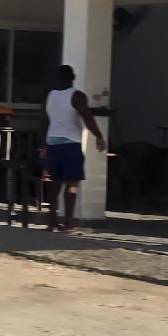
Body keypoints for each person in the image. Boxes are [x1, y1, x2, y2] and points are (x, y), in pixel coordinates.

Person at [42, 65, 108, 233]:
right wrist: (99, 136)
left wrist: (43, 145)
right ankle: (69, 222)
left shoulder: (50, 96)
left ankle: (51, 221)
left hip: (52, 143)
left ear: (57, 79)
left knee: (54, 183)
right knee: (72, 183)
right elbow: (87, 118)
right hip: (70, 143)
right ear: (73, 78)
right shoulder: (77, 96)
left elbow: (45, 121)